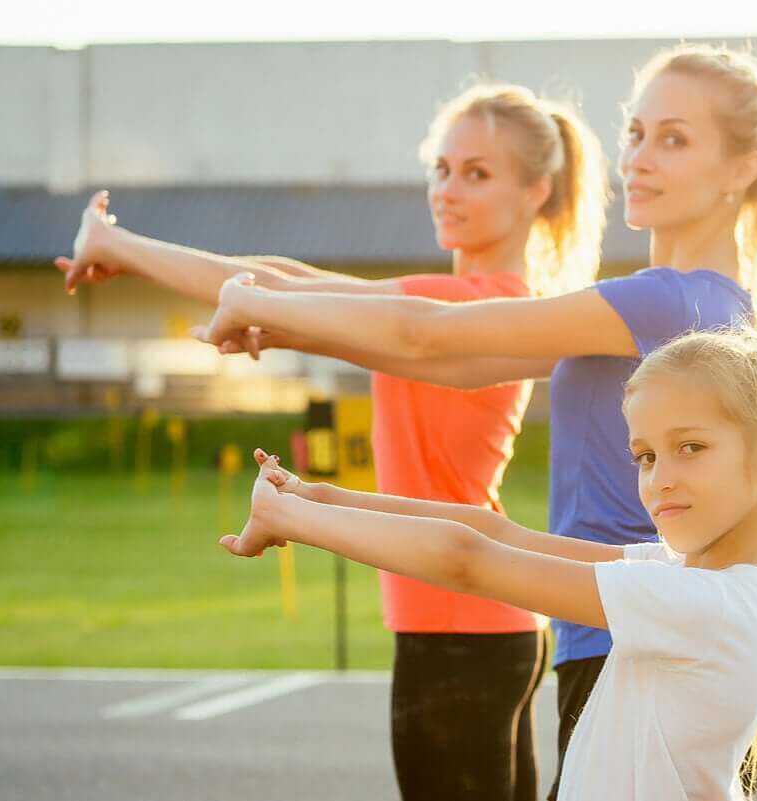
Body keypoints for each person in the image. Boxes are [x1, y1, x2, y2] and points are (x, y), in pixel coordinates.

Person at [188, 42, 757, 796]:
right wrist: (310, 494)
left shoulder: (670, 302)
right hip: (608, 632)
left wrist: (264, 309)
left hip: (618, 638)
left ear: (745, 167)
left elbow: (430, 342)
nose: (637, 157)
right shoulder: (699, 315)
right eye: (634, 133)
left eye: (673, 138)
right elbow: (481, 502)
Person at [54, 84, 610, 801]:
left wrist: (119, 246)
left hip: (455, 625)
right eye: (441, 169)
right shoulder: (471, 303)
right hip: (485, 622)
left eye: (478, 172)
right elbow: (292, 289)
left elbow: (288, 282)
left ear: (538, 190)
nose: (448, 188)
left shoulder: (477, 304)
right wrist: (277, 316)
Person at [226, 329, 757, 801]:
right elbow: (497, 531)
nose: (661, 479)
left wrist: (293, 522)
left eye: (691, 447)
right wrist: (321, 497)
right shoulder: (691, 578)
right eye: (644, 456)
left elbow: (466, 560)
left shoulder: (706, 605)